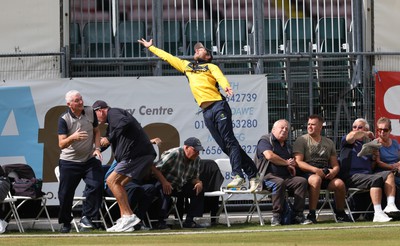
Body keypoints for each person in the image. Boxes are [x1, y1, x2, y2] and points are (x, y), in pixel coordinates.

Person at [137, 38, 260, 192]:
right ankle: (254, 175)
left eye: (200, 49)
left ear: (208, 56)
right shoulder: (187, 66)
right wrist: (151, 47)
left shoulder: (211, 66)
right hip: (206, 112)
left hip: (218, 105)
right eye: (196, 49)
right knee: (226, 146)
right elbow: (168, 57)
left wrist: (226, 86)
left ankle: (238, 176)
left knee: (230, 141)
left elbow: (220, 77)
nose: (197, 50)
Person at [92, 100, 156, 232]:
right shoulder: (112, 124)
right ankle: (125, 219)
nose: (95, 119)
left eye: (95, 115)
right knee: (118, 184)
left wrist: (109, 138)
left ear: (101, 110)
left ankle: (128, 216)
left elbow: (125, 122)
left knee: (111, 180)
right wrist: (95, 150)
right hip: (142, 156)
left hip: (136, 155)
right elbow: (107, 141)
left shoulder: (113, 113)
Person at [57, 90, 104, 233]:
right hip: (69, 161)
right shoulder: (64, 119)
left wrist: (97, 148)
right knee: (65, 194)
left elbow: (97, 132)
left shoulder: (90, 112)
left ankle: (87, 217)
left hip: (89, 159)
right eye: (77, 101)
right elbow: (61, 144)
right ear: (69, 104)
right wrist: (73, 137)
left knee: (96, 185)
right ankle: (66, 223)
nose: (81, 102)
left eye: (81, 99)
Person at [340, 118, 400, 222]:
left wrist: (374, 158)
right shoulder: (348, 142)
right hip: (352, 175)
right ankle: (377, 213)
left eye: (360, 127)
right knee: (376, 179)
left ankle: (390, 205)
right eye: (354, 127)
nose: (356, 129)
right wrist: (365, 132)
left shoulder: (368, 145)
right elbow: (352, 136)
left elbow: (371, 167)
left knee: (388, 175)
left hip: (367, 175)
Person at [293, 114, 350, 223]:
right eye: (308, 124)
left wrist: (334, 172)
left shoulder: (329, 142)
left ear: (320, 127)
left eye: (313, 125)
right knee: (316, 179)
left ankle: (340, 213)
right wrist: (315, 170)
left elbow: (335, 164)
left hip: (325, 173)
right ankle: (312, 214)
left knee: (340, 184)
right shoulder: (301, 140)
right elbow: (298, 162)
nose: (309, 127)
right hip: (308, 174)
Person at [255, 119, 312, 226]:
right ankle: (276, 216)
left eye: (287, 129)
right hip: (266, 177)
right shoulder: (265, 140)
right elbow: (269, 156)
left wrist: (292, 164)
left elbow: (292, 162)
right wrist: (286, 163)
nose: (285, 130)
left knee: (301, 181)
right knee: (278, 182)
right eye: (282, 128)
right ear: (273, 129)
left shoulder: (287, 146)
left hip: (285, 176)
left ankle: (298, 215)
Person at [103, 138, 162, 230]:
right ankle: (123, 219)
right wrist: (150, 141)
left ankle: (137, 221)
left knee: (150, 188)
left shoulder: (141, 156)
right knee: (134, 188)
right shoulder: (125, 153)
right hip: (114, 184)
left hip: (131, 183)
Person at [152, 137, 206, 229]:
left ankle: (189, 220)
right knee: (166, 190)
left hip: (180, 185)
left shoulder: (196, 159)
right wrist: (164, 182)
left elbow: (193, 178)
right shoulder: (175, 154)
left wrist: (199, 182)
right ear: (186, 147)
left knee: (199, 190)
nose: (197, 153)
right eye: (195, 150)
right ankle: (160, 222)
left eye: (198, 151)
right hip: (165, 182)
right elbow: (155, 168)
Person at [375, 117, 400, 186]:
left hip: (396, 171)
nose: (382, 132)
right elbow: (378, 163)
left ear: (390, 130)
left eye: (385, 130)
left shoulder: (394, 142)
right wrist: (392, 167)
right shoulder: (375, 144)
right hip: (383, 173)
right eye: (380, 130)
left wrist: (398, 164)